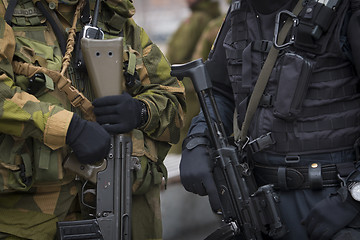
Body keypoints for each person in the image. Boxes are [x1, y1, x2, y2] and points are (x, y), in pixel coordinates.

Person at [0, 0, 185, 239]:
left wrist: (140, 111)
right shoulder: (8, 11)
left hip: (124, 211)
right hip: (30, 221)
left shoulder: (117, 19)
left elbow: (174, 101)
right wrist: (68, 128)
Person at [180, 0, 360, 239]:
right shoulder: (239, 12)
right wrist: (199, 139)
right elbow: (221, 91)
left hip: (333, 201)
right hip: (259, 204)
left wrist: (354, 197)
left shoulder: (346, 9)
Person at [166, 0, 221, 154]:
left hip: (187, 85)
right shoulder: (215, 18)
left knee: (180, 131)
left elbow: (179, 51)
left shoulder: (198, 19)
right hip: (199, 84)